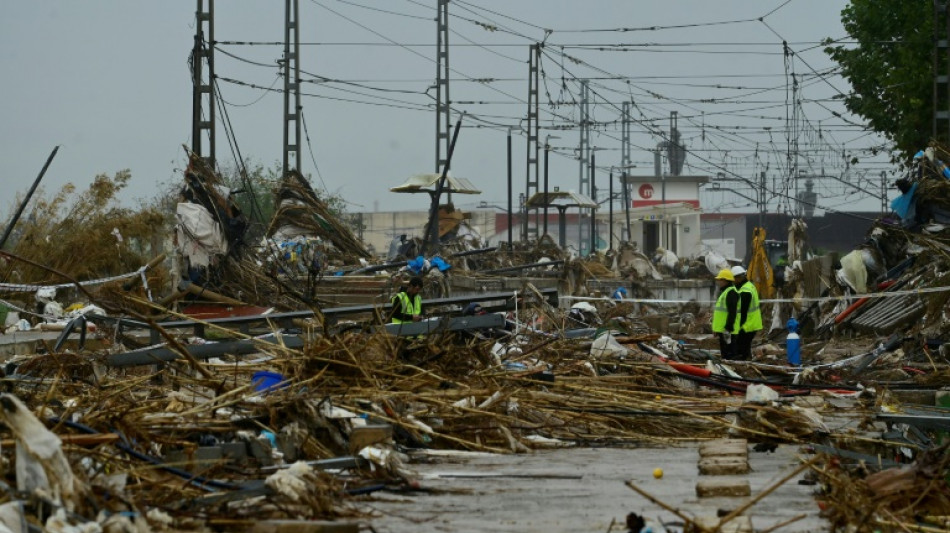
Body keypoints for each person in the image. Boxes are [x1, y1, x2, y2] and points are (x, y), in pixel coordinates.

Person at [731, 265, 762, 360]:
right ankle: (747, 361)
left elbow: (743, 312)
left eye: (733, 279)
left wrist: (739, 327)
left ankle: (743, 365)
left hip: (747, 325)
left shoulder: (745, 291)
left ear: (738, 278)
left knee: (741, 348)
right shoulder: (749, 286)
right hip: (752, 323)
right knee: (745, 346)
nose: (733, 282)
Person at [711, 268, 738, 360]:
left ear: (726, 280)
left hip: (727, 330)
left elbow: (732, 312)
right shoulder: (725, 292)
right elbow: (720, 314)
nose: (718, 282)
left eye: (720, 279)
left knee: (729, 355)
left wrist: (728, 328)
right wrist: (716, 329)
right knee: (725, 354)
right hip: (723, 330)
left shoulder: (731, 293)